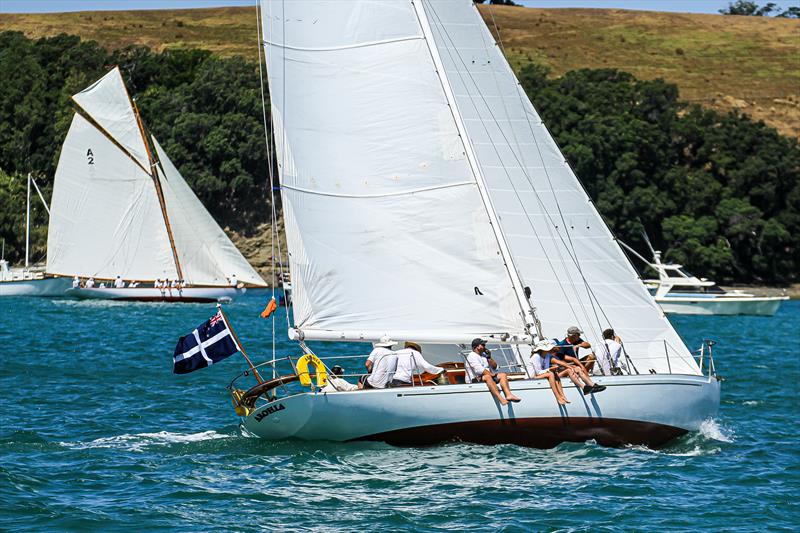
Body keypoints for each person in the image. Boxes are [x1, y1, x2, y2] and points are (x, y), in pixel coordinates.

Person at [464, 338, 521, 405]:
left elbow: (495, 367)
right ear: (476, 347)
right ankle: (501, 399)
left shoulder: (484, 355)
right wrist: (492, 375)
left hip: (485, 376)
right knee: (488, 377)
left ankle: (509, 395)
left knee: (502, 375)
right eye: (482, 345)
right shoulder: (472, 356)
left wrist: (489, 357)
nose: (484, 346)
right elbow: (479, 370)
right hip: (474, 378)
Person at [527, 340, 569, 405]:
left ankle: (562, 395)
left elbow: (545, 369)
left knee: (555, 373)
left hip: (540, 375)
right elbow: (538, 372)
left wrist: (551, 369)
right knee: (551, 374)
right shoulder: (536, 356)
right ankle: (558, 397)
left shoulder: (547, 356)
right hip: (532, 377)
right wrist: (550, 369)